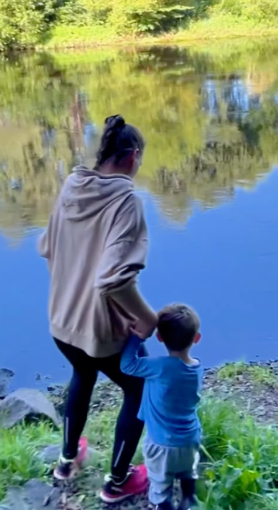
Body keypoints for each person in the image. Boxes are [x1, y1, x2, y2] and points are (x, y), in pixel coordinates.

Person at [38, 114, 158, 502]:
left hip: (60, 321)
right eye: (139, 163)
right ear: (132, 157)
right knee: (141, 389)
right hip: (99, 331)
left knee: (82, 374)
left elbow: (45, 247)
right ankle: (118, 482)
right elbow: (114, 280)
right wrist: (146, 318)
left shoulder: (73, 185)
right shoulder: (127, 202)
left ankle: (67, 461)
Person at [121, 304, 204, 510]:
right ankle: (188, 500)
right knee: (188, 472)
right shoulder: (196, 367)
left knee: (160, 487)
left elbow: (127, 365)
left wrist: (138, 338)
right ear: (196, 338)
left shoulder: (157, 366)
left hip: (161, 444)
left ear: (159, 337)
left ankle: (164, 505)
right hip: (190, 439)